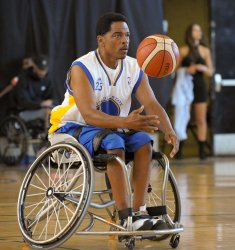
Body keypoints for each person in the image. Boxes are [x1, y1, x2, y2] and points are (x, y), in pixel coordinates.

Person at [49, 12, 179, 231]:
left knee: (143, 142)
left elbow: (151, 102)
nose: (125, 41)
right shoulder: (82, 67)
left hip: (113, 129)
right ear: (101, 40)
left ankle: (139, 212)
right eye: (117, 35)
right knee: (114, 143)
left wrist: (169, 129)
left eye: (127, 35)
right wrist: (128, 121)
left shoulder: (134, 67)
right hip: (75, 128)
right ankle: (124, 215)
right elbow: (89, 115)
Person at [174, 23, 214, 160]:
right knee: (183, 117)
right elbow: (173, 70)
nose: (198, 32)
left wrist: (202, 68)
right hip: (185, 87)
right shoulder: (183, 50)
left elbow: (211, 71)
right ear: (189, 32)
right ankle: (179, 151)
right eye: (195, 29)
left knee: (201, 119)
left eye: (199, 29)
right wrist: (186, 70)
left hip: (199, 86)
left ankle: (202, 152)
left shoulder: (205, 50)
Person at [14, 54, 53, 130]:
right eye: (40, 69)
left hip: (42, 109)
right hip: (25, 112)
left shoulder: (47, 80)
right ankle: (48, 136)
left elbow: (51, 97)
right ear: (34, 66)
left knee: (58, 111)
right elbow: (23, 102)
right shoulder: (24, 79)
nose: (43, 72)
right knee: (46, 112)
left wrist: (50, 101)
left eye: (45, 70)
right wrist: (40, 104)